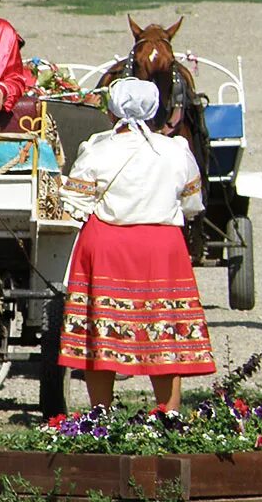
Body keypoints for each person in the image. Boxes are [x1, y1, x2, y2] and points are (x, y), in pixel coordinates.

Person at [58, 77, 215, 411]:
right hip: (162, 249)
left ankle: (101, 415)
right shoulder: (176, 151)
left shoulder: (98, 149)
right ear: (155, 109)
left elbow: (74, 203)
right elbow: (192, 204)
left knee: (102, 336)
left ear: (113, 111)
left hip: (108, 248)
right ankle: (168, 417)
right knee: (164, 332)